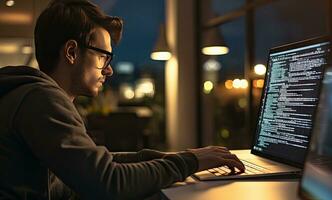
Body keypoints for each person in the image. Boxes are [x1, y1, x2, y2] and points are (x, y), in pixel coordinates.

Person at [0, 0, 245, 199]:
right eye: (104, 57)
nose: (109, 70)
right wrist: (188, 162)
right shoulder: (41, 99)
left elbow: (94, 165)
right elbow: (107, 182)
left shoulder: (33, 95)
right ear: (72, 52)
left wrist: (165, 158)